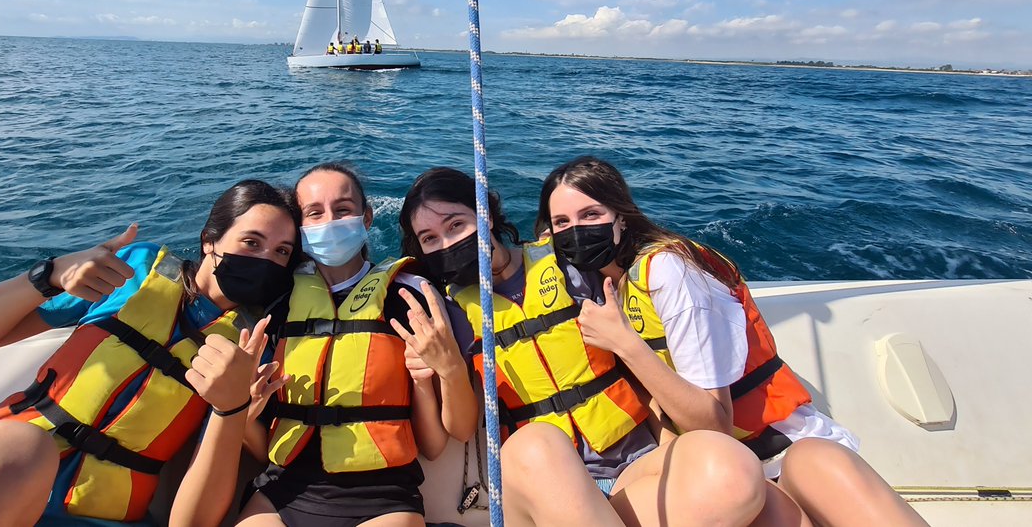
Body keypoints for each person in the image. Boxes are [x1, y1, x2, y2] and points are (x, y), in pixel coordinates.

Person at [0, 180, 302, 527]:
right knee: (20, 445)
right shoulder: (134, 270)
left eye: (281, 252)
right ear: (210, 239)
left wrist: (232, 409)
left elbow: (195, 520)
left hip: (99, 517)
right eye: (251, 242)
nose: (266, 259)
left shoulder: (248, 349)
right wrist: (49, 276)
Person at [398, 168, 805, 527]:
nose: (447, 242)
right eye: (430, 238)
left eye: (456, 224)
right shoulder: (451, 314)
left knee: (734, 470)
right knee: (537, 442)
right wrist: (450, 369)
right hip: (546, 482)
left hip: (636, 463)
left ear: (485, 214)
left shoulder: (573, 266)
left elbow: (639, 367)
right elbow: (463, 428)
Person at [538, 156, 929, 527]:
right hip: (720, 471)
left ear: (621, 217)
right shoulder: (609, 289)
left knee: (813, 468)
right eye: (561, 222)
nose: (576, 231)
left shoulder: (670, 272)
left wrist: (625, 344)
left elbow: (714, 423)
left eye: (591, 215)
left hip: (778, 449)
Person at [239, 163, 477, 527]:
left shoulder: (410, 297)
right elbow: (260, 441)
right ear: (301, 230)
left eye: (343, 209)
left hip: (383, 497)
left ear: (366, 218)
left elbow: (441, 441)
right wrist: (243, 413)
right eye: (315, 213)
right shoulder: (279, 305)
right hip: (282, 489)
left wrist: (443, 371)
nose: (331, 221)